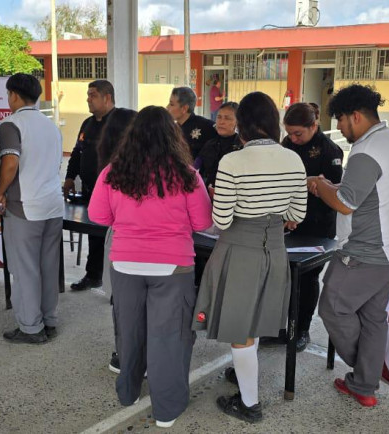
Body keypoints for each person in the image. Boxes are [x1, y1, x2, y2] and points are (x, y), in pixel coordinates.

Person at [89, 106, 212, 428]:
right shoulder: (187, 175)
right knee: (169, 338)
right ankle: (166, 410)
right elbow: (203, 221)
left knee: (129, 332)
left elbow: (98, 217)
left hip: (126, 264)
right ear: (173, 136)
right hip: (173, 267)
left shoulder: (113, 173)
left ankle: (128, 392)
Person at [193, 92, 308, 424]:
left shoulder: (233, 162)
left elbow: (223, 221)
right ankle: (245, 378)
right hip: (274, 249)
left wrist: (222, 200)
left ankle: (250, 404)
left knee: (239, 329)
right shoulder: (293, 160)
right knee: (255, 322)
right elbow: (296, 213)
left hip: (239, 250)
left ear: (242, 125)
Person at [306, 84, 389, 407]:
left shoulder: (365, 152)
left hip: (368, 254)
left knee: (332, 307)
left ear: (356, 116)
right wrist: (329, 186)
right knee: (372, 317)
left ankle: (365, 367)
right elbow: (363, 191)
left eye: (340, 119)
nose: (338, 127)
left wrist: (319, 185)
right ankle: (365, 386)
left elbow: (345, 202)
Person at [260, 102, 344, 352]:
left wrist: (316, 186)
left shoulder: (330, 151)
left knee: (306, 280)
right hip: (287, 225)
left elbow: (335, 194)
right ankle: (280, 328)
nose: (294, 139)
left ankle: (302, 330)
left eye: (299, 133)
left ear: (314, 126)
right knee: (282, 278)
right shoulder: (286, 145)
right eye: (290, 133)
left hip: (316, 226)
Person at [0, 74, 64, 344]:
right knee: (47, 265)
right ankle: (49, 320)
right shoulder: (51, 126)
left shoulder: (11, 124)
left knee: (24, 269)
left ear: (13, 95)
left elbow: (10, 163)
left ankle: (31, 327)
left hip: (25, 206)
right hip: (53, 205)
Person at [92, 107, 138, 374]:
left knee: (121, 303)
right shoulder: (165, 164)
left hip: (120, 240)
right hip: (162, 249)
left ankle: (124, 353)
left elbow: (99, 215)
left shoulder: (111, 165)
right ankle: (143, 353)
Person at [63, 80, 115, 291]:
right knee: (93, 233)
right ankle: (93, 275)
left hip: (113, 192)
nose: (88, 99)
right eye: (88, 94)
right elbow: (77, 152)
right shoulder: (87, 124)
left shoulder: (120, 123)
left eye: (92, 95)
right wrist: (69, 177)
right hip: (89, 190)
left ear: (107, 97)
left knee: (113, 237)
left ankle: (116, 285)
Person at [196, 101, 240, 190]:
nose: (221, 122)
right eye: (219, 117)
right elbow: (196, 169)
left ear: (237, 122)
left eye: (227, 118)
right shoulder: (209, 144)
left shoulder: (242, 146)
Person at [167, 87, 217, 161]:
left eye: (171, 104)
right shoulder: (171, 129)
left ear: (184, 108)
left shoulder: (207, 126)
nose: (167, 107)